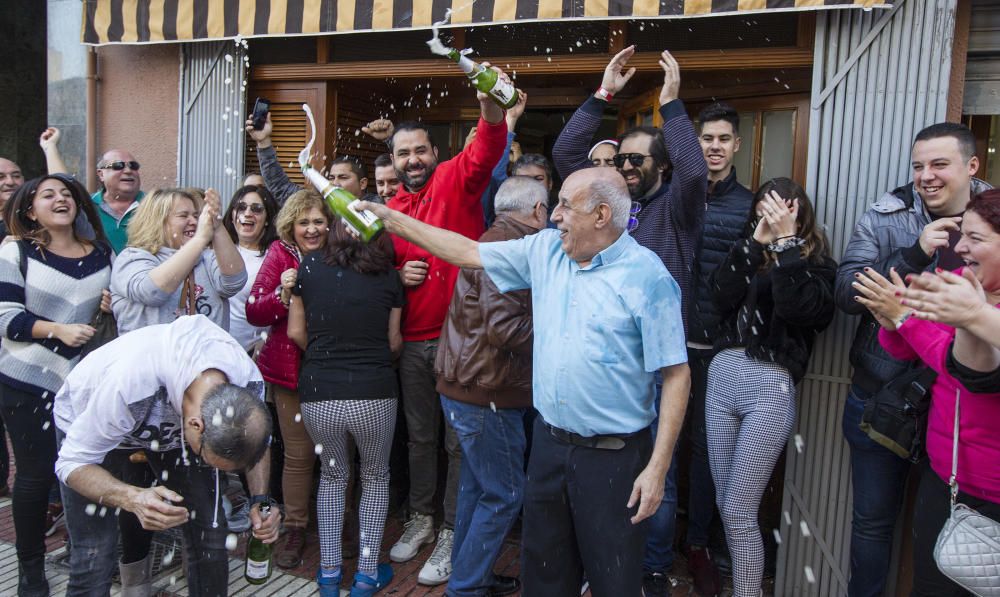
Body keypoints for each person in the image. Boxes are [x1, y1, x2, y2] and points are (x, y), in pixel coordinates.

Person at [356, 166, 691, 597]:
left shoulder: (648, 277)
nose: (554, 216)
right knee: (545, 576)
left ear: (602, 214)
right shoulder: (546, 250)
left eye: (566, 207)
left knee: (614, 580)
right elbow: (465, 252)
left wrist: (658, 468)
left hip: (615, 458)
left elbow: (676, 374)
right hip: (550, 448)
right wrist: (392, 219)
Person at [552, 46, 707, 595]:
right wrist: (603, 95)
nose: (625, 167)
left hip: (659, 361)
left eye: (637, 160)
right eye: (621, 160)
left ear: (660, 167)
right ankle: (605, 564)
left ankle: (650, 570)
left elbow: (694, 171)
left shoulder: (679, 208)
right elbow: (567, 152)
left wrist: (673, 108)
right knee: (609, 479)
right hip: (603, 359)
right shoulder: (607, 210)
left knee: (653, 471)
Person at [362, 67, 511, 586]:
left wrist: (489, 103)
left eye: (420, 150)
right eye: (403, 154)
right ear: (394, 161)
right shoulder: (389, 209)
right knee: (420, 439)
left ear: (434, 150)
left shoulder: (454, 177)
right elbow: (373, 280)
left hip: (465, 344)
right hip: (415, 344)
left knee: (457, 443)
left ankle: (451, 529)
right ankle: (423, 517)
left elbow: (489, 144)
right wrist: (398, 277)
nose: (413, 161)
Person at [834, 122, 990, 597]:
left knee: (955, 534)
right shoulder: (886, 217)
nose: (927, 176)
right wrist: (913, 253)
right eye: (919, 165)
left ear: (971, 166)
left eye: (939, 164)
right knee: (872, 524)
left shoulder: (993, 219)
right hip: (881, 397)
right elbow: (845, 292)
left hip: (965, 413)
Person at [53, 314, 280, 596]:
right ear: (196, 426)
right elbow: (71, 463)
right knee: (94, 553)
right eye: (210, 461)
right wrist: (131, 497)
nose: (216, 473)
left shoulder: (246, 384)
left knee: (210, 532)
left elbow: (259, 443)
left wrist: (260, 500)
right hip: (90, 424)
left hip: (167, 428)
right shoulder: (132, 382)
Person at [708, 178, 836, 597]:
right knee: (726, 507)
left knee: (739, 509)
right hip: (723, 373)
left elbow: (799, 310)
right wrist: (753, 245)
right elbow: (720, 298)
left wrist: (785, 246)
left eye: (781, 210)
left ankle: (747, 593)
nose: (770, 216)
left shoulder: (815, 265)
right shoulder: (749, 248)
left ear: (800, 213)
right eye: (763, 209)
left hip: (770, 383)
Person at [436, 176, 549, 597]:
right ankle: (466, 587)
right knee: (504, 494)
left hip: (470, 386)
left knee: (479, 488)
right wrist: (564, 328)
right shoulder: (509, 249)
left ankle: (470, 575)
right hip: (489, 393)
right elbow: (505, 329)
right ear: (537, 210)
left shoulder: (492, 239)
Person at [0, 174, 112, 596]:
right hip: (26, 380)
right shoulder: (18, 250)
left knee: (82, 469)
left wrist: (111, 303)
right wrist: (58, 330)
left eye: (67, 193)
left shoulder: (102, 253)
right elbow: (6, 319)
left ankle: (84, 555)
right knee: (34, 475)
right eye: (48, 195)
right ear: (30, 210)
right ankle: (31, 571)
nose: (60, 199)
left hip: (81, 386)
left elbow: (112, 313)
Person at [286, 217, 403, 597]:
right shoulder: (388, 276)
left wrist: (326, 357)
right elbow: (394, 341)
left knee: (333, 478)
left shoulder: (310, 267)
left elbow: (295, 332)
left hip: (320, 391)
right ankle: (367, 576)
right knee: (374, 477)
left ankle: (329, 575)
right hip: (374, 391)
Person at [681, 101, 754, 596]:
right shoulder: (675, 198)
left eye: (723, 139)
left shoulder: (749, 205)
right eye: (707, 138)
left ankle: (698, 542)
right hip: (667, 343)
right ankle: (659, 536)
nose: (714, 146)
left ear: (736, 146)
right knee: (659, 439)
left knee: (708, 451)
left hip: (716, 348)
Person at [245, 189, 330, 569]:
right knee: (297, 456)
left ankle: (335, 523)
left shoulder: (341, 253)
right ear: (290, 226)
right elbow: (254, 311)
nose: (312, 229)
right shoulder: (279, 254)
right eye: (303, 222)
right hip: (289, 372)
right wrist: (282, 292)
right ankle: (296, 526)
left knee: (336, 455)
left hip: (335, 369)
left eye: (318, 221)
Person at [110, 187, 246, 334]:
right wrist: (200, 239)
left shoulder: (207, 256)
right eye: (183, 216)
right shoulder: (131, 258)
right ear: (157, 221)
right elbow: (152, 292)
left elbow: (234, 283)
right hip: (154, 356)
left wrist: (216, 223)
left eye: (196, 215)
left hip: (205, 356)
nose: (194, 221)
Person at [41, 127, 145, 254]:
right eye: (118, 166)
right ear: (101, 174)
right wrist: (50, 146)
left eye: (133, 166)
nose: (128, 171)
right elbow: (64, 183)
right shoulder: (86, 206)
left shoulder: (156, 205)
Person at [245, 114, 380, 205]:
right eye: (332, 178)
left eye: (343, 177)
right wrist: (263, 142)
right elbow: (280, 188)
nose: (335, 183)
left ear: (362, 183)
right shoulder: (320, 206)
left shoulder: (377, 207)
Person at [222, 184, 280, 352]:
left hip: (250, 356)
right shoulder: (215, 249)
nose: (247, 213)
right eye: (241, 207)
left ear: (267, 218)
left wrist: (268, 341)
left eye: (256, 209)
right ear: (232, 215)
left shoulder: (275, 257)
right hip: (213, 352)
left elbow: (283, 308)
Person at [0, 157, 24, 241]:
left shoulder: (32, 213)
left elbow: (60, 185)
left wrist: (50, 147)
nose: (10, 182)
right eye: (0, 177)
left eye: (16, 176)